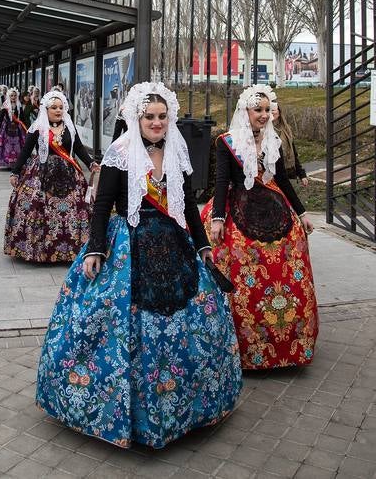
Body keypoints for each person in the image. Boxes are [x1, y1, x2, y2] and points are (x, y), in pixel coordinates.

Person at [36, 82, 242, 449]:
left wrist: (203, 245)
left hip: (174, 244)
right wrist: (96, 249)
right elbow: (101, 206)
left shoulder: (177, 149)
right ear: (137, 117)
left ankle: (189, 407)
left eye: (163, 116)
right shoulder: (119, 151)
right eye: (150, 117)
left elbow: (189, 207)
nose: (157, 123)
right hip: (128, 244)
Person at [201, 84, 318, 371]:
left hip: (273, 205)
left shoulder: (272, 141)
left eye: (268, 110)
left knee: (289, 254)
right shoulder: (226, 142)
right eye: (259, 110)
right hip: (237, 204)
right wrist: (217, 218)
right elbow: (221, 181)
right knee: (239, 256)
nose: (264, 115)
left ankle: (286, 341)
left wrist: (301, 213)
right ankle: (243, 341)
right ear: (246, 111)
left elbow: (283, 180)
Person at [5, 90, 100, 263]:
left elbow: (78, 148)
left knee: (76, 209)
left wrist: (90, 163)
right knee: (38, 209)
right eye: (54, 107)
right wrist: (15, 171)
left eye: (61, 107)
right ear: (45, 109)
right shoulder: (38, 128)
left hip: (69, 175)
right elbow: (25, 151)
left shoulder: (70, 127)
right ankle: (40, 250)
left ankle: (71, 249)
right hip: (41, 174)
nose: (58, 110)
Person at [272, 102, 309, 187]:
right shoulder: (261, 131)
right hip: (273, 177)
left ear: (279, 111)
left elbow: (294, 153)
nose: (272, 112)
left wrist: (301, 174)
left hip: (288, 173)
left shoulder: (286, 130)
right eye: (269, 110)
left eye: (274, 109)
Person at [0, 89, 27, 168]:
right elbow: (1, 117)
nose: (13, 97)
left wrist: (26, 127)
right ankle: (8, 162)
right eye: (11, 96)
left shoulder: (19, 105)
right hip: (7, 127)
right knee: (8, 145)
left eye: (15, 95)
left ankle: (16, 162)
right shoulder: (5, 105)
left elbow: (22, 118)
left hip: (17, 128)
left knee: (17, 145)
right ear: (9, 96)